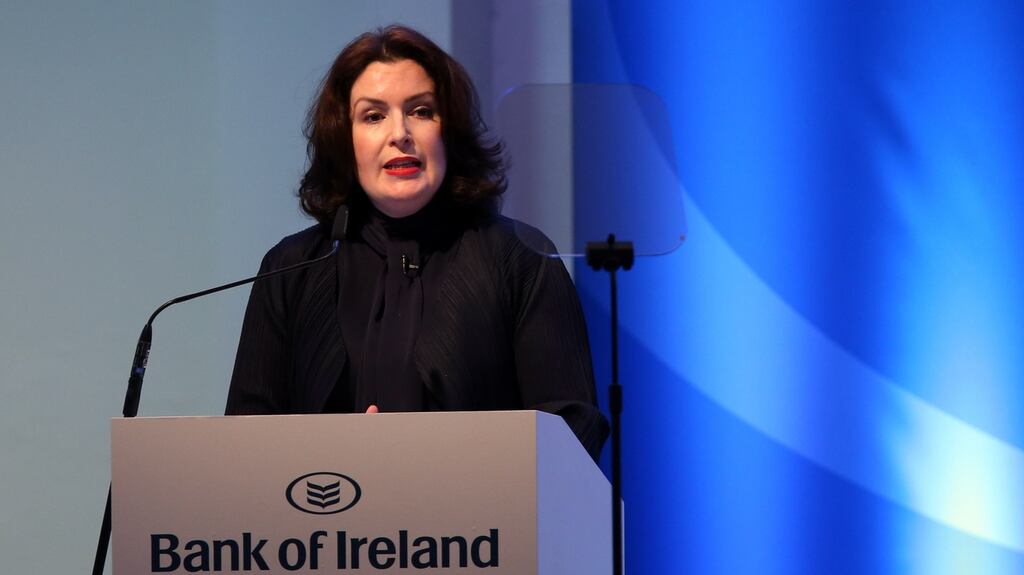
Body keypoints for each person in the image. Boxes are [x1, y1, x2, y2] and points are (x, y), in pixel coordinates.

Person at [225, 25, 608, 462]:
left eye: (422, 111)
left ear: (451, 131)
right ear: (344, 140)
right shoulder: (291, 267)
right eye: (373, 116)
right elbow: (245, 446)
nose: (399, 133)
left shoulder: (520, 257)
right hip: (320, 526)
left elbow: (573, 428)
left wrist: (435, 462)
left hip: (485, 526)